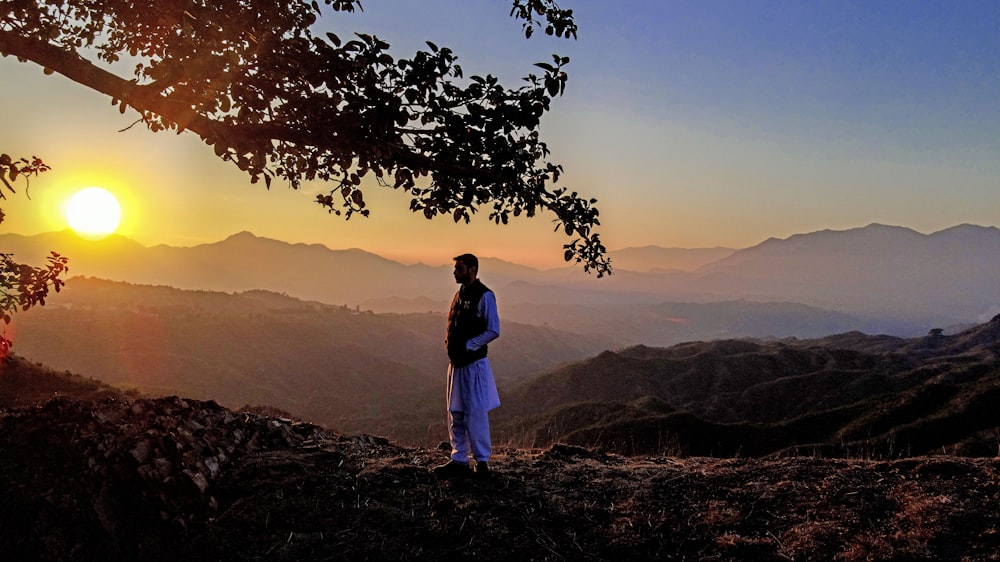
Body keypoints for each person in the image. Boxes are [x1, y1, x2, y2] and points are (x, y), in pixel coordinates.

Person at [433, 253, 501, 479]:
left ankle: (482, 464)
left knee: (476, 414)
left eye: (459, 268)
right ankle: (459, 460)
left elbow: (493, 329)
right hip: (457, 365)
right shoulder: (459, 294)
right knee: (456, 413)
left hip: (474, 365)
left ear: (472, 270)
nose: (454, 272)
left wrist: (471, 345)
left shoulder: (485, 296)